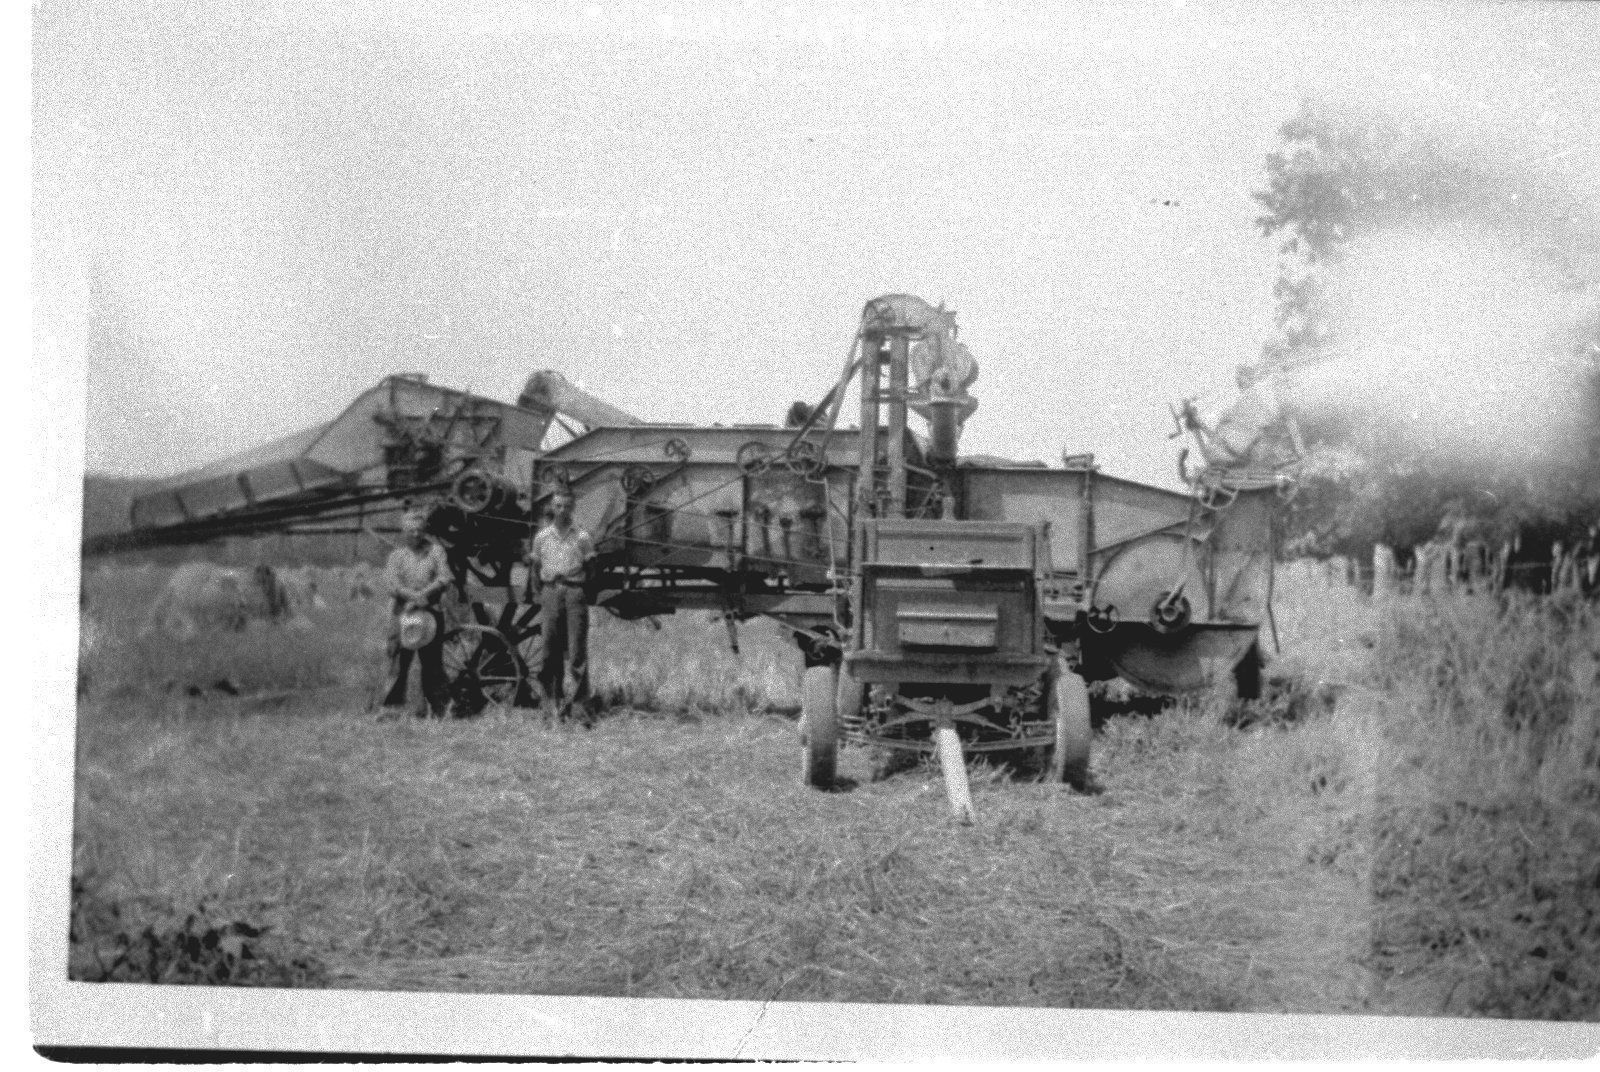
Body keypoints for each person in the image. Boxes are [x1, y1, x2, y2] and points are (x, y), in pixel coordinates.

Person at [528, 489, 595, 720]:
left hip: (575, 592)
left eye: (567, 506)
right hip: (550, 592)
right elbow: (535, 569)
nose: (562, 510)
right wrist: (544, 592)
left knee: (577, 653)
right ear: (552, 508)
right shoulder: (542, 537)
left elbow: (591, 569)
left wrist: (580, 590)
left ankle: (579, 710)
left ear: (572, 508)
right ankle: (551, 708)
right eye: (558, 506)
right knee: (549, 651)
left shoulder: (582, 537)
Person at [380, 509, 452, 718]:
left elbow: (445, 577)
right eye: (411, 530)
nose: (416, 534)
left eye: (419, 530)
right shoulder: (397, 556)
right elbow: (391, 583)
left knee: (432, 664)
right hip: (402, 613)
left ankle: (438, 709)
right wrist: (411, 596)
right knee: (397, 663)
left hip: (430, 613)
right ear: (404, 532)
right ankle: (390, 709)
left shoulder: (436, 552)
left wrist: (424, 595)